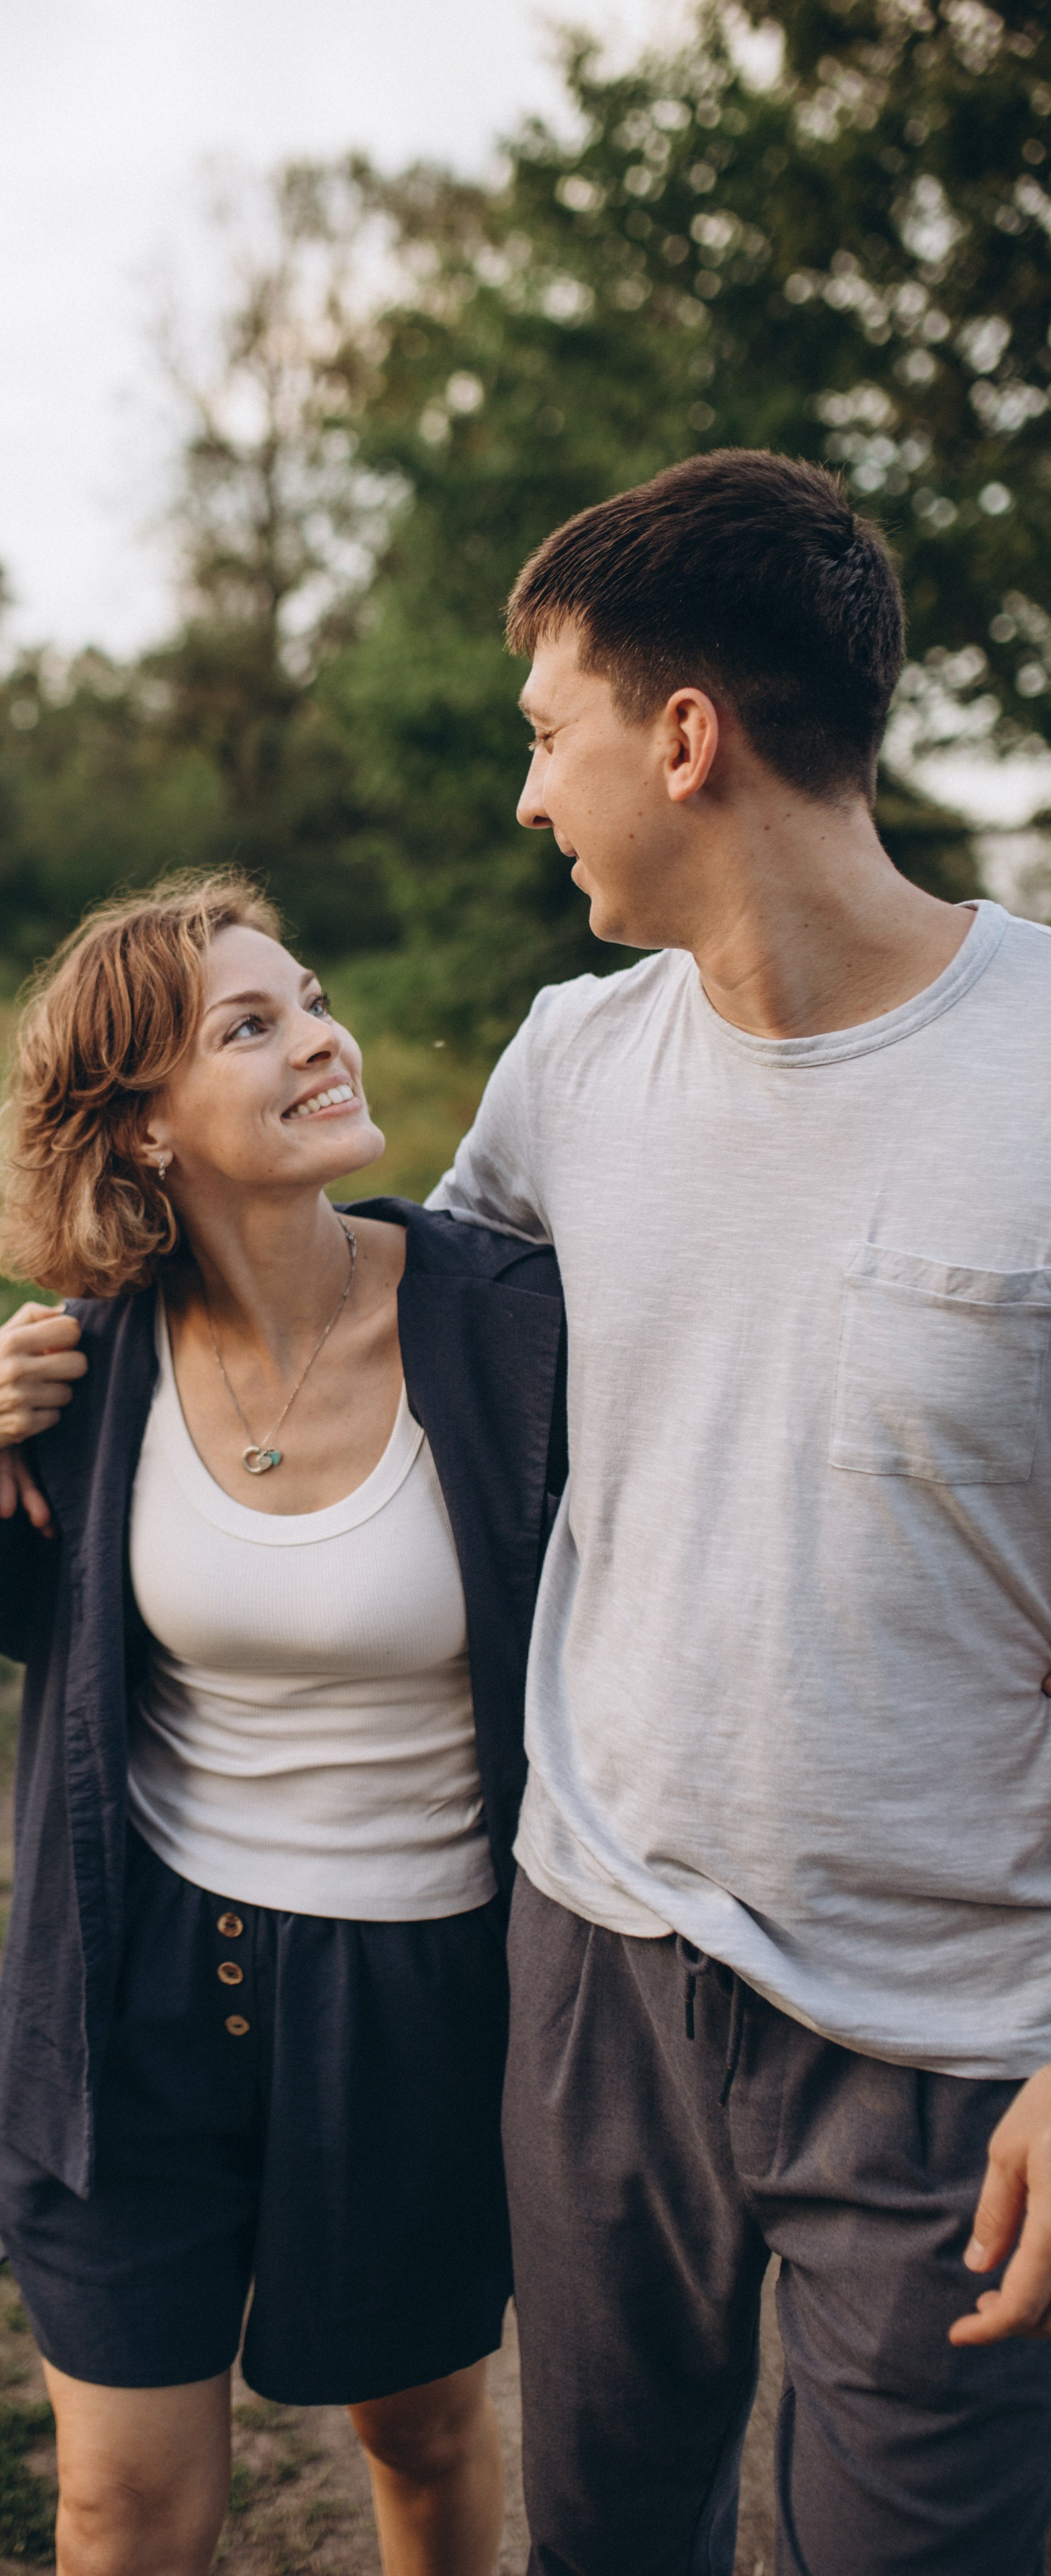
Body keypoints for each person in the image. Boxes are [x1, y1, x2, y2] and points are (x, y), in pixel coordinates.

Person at [430, 448, 1051, 2574]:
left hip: (961, 2048)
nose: (531, 798)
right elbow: (356, 1351)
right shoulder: (566, 1073)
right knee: (608, 2540)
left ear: (683, 738)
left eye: (548, 734)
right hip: (604, 1959)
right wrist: (32, 1371)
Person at [0, 874, 564, 2576]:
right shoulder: (90, 1364)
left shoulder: (508, 1329)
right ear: (143, 1129)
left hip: (413, 1996)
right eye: (247, 1027)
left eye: (309, 997)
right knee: (115, 2507)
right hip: (136, 1993)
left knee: (413, 2432)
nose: (318, 1035)